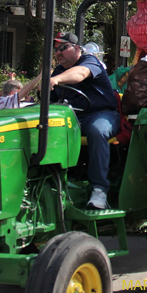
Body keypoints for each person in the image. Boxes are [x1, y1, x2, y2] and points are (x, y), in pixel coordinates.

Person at [49, 32, 119, 210]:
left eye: (63, 47)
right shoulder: (57, 71)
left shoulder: (90, 61)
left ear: (77, 49)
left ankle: (99, 189)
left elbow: (80, 74)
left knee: (98, 130)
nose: (58, 53)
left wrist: (56, 79)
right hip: (73, 119)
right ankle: (54, 185)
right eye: (56, 49)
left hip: (101, 114)